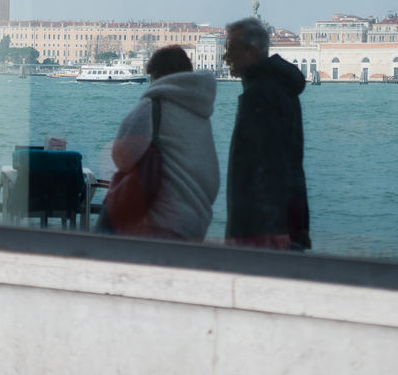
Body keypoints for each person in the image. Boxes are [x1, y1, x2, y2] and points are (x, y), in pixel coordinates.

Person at [102, 45, 219, 240]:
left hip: (159, 222)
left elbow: (121, 157)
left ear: (157, 76)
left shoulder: (153, 105)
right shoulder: (201, 113)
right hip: (196, 225)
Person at [222, 17, 310, 250]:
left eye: (230, 49)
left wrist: (264, 232)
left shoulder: (259, 96)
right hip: (283, 224)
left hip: (261, 233)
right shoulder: (281, 90)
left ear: (251, 51)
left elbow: (265, 168)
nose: (225, 57)